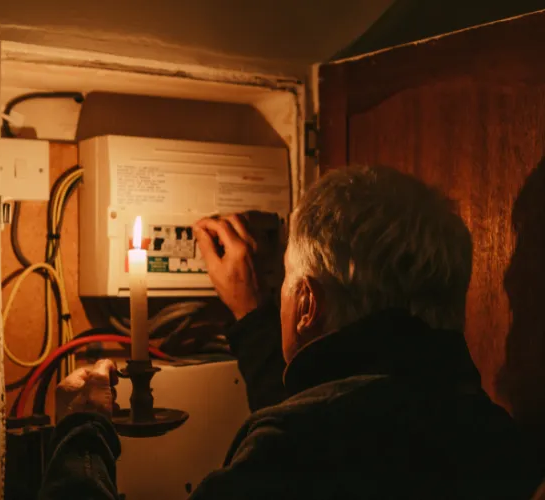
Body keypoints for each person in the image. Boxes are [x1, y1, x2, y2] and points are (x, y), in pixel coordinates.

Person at [39, 165, 544, 499]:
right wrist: (253, 313)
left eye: (288, 281)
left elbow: (317, 431)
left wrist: (81, 433)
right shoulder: (497, 440)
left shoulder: (290, 454)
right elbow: (336, 402)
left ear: (306, 304)